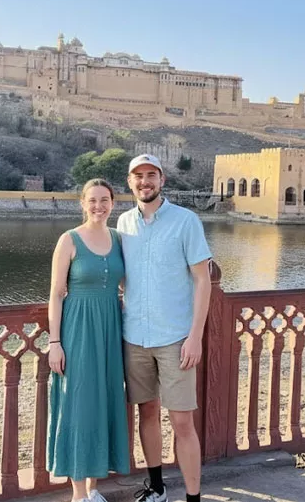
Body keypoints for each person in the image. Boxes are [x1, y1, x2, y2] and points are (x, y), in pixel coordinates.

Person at [116, 154, 212, 502]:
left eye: (151, 175)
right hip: (135, 337)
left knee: (182, 422)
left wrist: (195, 337)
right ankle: (156, 487)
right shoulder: (124, 223)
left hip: (175, 338)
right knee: (147, 412)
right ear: (130, 182)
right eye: (138, 176)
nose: (145, 182)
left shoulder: (186, 222)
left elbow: (203, 281)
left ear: (162, 180)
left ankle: (193, 497)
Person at [47, 178, 130, 502]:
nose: (99, 206)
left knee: (104, 402)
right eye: (92, 200)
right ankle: (78, 494)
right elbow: (55, 294)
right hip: (78, 329)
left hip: (110, 328)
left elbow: (129, 282)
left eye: (105, 200)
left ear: (113, 203)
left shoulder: (118, 238)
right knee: (79, 404)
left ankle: (94, 489)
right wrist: (55, 342)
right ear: (83, 203)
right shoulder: (69, 240)